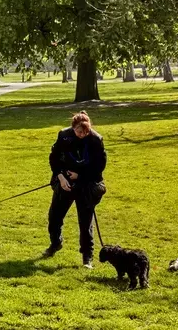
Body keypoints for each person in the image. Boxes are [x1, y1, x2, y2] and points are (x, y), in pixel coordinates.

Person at [42, 111, 107, 268]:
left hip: (87, 185)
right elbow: (54, 158)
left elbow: (99, 166)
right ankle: (56, 243)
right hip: (65, 183)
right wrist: (60, 177)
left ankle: (87, 257)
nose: (82, 135)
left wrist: (80, 175)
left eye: (86, 131)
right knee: (54, 217)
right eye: (79, 131)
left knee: (85, 223)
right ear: (73, 127)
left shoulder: (96, 140)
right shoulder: (64, 135)